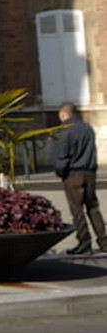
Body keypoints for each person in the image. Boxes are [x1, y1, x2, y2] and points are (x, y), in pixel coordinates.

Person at [54, 102, 104, 257]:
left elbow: (61, 156)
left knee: (77, 210)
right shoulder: (87, 128)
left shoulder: (63, 130)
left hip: (73, 174)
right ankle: (104, 241)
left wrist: (61, 172)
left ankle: (84, 242)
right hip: (89, 173)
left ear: (63, 114)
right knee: (93, 208)